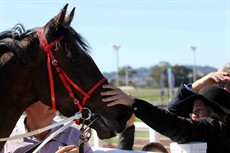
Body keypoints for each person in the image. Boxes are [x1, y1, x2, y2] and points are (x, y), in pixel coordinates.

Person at [101, 84, 230, 153]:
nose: (193, 115)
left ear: (220, 115)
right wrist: (128, 128)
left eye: (199, 110)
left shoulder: (218, 128)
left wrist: (133, 103)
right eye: (192, 111)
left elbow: (177, 126)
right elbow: (175, 115)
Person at [0, 101, 93, 153]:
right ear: (26, 105)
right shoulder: (7, 139)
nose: (53, 101)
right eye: (44, 97)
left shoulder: (74, 136)